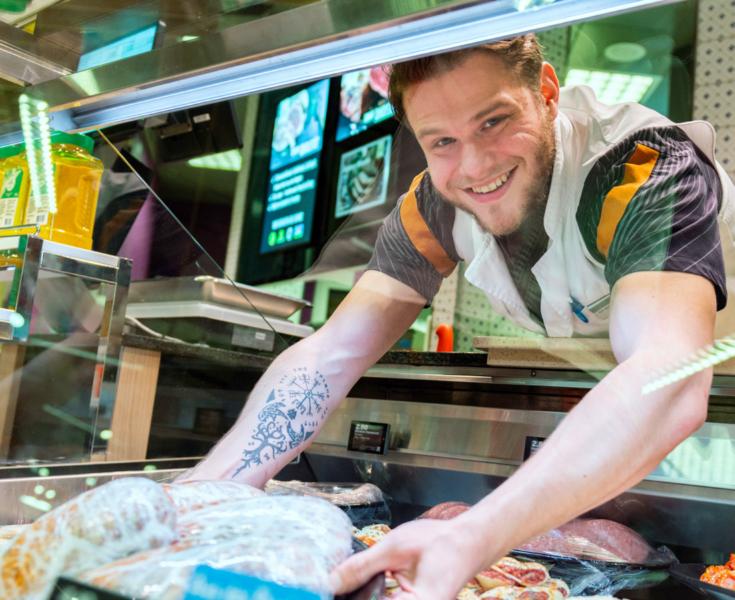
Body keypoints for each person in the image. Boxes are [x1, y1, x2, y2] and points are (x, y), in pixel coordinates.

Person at [179, 34, 735, 599]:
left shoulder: (641, 166)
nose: (473, 164)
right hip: (604, 413)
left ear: (546, 92)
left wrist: (473, 536)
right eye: (441, 141)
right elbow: (330, 352)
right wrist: (206, 492)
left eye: (493, 121)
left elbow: (671, 376)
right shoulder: (434, 203)